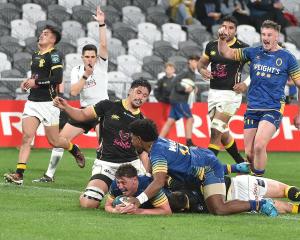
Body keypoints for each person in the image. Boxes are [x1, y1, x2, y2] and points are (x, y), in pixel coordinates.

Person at [125, 119, 278, 216]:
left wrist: (138, 200)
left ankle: (261, 204)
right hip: (200, 159)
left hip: (208, 166)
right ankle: (236, 167)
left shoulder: (157, 153)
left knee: (218, 209)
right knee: (180, 179)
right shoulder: (159, 142)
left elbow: (158, 181)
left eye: (132, 137)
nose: (131, 141)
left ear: (139, 139)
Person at [33, 6, 109, 183]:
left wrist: (101, 23)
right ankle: (49, 175)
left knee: (103, 145)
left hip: (102, 110)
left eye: (93, 56)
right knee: (60, 139)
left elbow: (103, 44)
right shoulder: (77, 70)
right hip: (83, 111)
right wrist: (85, 76)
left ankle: (100, 179)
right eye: (87, 56)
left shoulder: (102, 65)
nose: (90, 59)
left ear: (97, 57)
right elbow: (74, 91)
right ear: (82, 57)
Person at [3, 25, 85, 185]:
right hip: (32, 102)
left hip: (49, 103)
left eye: (46, 34)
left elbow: (57, 78)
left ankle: (73, 148)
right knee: (27, 137)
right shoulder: (35, 55)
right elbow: (36, 75)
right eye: (41, 33)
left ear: (53, 39)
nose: (41, 35)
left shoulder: (54, 55)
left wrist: (36, 82)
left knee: (54, 141)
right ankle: (19, 175)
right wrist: (27, 81)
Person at [218, 19, 300, 176]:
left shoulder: (288, 58)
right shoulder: (253, 52)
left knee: (259, 145)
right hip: (252, 108)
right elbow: (227, 52)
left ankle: (258, 185)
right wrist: (222, 39)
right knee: (249, 153)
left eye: (269, 34)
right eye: (263, 34)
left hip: (273, 108)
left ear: (277, 37)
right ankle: (254, 186)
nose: (265, 37)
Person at [53, 79, 152, 209]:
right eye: (138, 92)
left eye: (145, 96)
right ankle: (91, 192)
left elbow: (143, 153)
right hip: (106, 165)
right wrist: (67, 107)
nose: (140, 97)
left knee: (146, 202)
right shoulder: (108, 106)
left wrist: (147, 175)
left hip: (130, 167)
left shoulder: (142, 122)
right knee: (88, 204)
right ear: (130, 91)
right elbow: (82, 115)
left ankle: (116, 192)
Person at [198, 16, 248, 164]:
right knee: (223, 133)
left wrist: (245, 84)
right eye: (224, 26)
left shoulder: (243, 47)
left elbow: (256, 69)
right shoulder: (211, 46)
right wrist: (202, 71)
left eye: (231, 28)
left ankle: (206, 169)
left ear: (236, 31)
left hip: (231, 95)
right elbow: (201, 64)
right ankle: (240, 162)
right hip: (213, 94)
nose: (227, 30)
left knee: (215, 131)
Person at [167, 174, 300, 214]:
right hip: (239, 183)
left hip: (237, 201)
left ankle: (295, 209)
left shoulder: (195, 209)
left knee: (289, 208)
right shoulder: (179, 182)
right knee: (286, 190)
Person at [159, 55, 199, 147]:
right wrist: (184, 89)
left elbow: (188, 85)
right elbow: (174, 82)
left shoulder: (192, 73)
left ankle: (158, 141)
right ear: (190, 62)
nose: (196, 63)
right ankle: (188, 142)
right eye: (195, 61)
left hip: (177, 99)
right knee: (190, 118)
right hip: (179, 99)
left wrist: (193, 88)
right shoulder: (185, 72)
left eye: (197, 61)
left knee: (170, 121)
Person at [105, 164, 172, 215]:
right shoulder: (115, 186)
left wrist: (138, 211)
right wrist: (115, 210)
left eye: (123, 182)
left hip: (172, 196)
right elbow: (108, 205)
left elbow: (167, 211)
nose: (120, 187)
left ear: (134, 180)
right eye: (118, 182)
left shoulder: (149, 185)